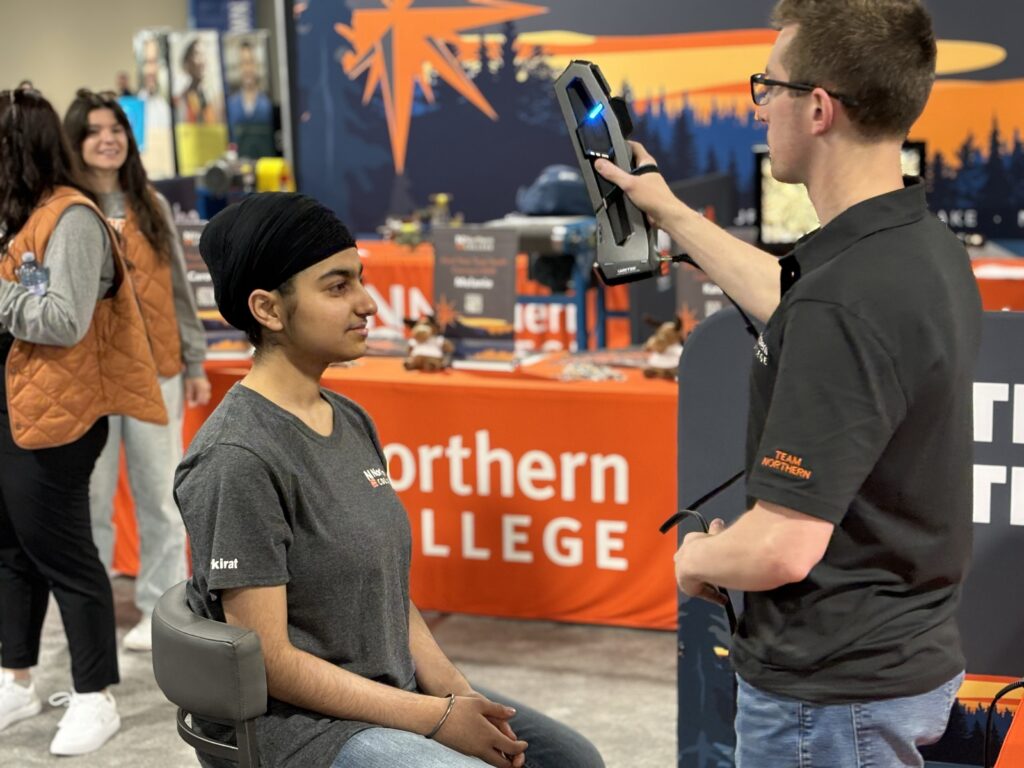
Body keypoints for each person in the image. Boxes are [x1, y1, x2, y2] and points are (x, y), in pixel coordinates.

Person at [596, 1, 981, 766]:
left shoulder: (848, 296)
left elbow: (780, 547)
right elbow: (795, 303)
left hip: (830, 700)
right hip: (898, 668)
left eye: (765, 86)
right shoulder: (916, 248)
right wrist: (667, 210)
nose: (758, 106)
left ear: (817, 107)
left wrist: (696, 559)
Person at [175, 192, 605, 768]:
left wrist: (457, 694)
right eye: (337, 286)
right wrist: (436, 719)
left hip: (388, 694)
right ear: (268, 310)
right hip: (304, 731)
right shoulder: (237, 457)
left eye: (361, 279)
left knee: (572, 760)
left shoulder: (349, 418)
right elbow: (271, 661)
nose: (368, 303)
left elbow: (387, 599)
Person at [0, 87, 166, 755]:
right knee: (11, 550)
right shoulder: (17, 216)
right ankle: (16, 678)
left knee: (66, 555)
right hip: (13, 409)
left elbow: (64, 320)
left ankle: (96, 696)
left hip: (59, 417)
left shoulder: (70, 218)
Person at [64, 89, 211, 652]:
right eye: (95, 130)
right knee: (91, 502)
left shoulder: (149, 202)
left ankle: (162, 609)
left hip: (157, 372)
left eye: (116, 129)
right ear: (75, 142)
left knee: (159, 495)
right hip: (88, 377)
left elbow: (178, 290)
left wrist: (193, 359)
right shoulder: (63, 206)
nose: (108, 139)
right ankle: (92, 614)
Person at [226, 39, 274, 158]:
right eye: (243, 63)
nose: (247, 69)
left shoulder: (267, 104)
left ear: (257, 65)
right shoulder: (230, 105)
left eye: (251, 62)